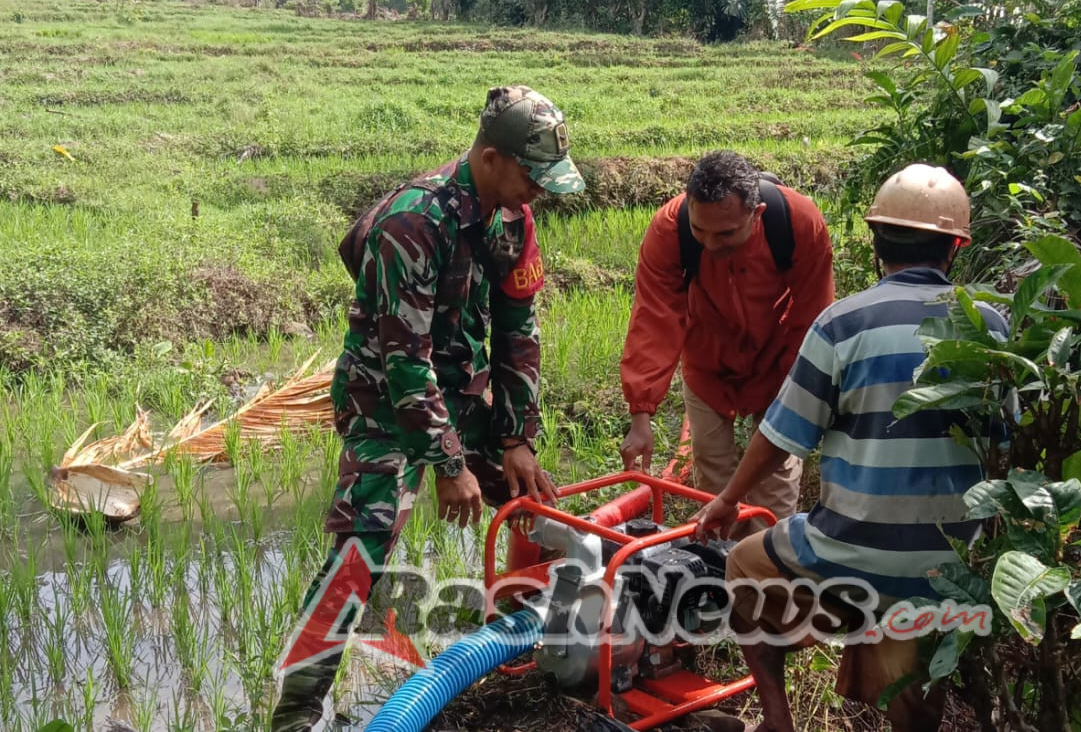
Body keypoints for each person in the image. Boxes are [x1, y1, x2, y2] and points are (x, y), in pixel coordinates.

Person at [271, 85, 583, 731]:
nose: (541, 192)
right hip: (386, 401)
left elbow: (518, 331)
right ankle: (297, 710)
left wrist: (515, 435)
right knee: (365, 541)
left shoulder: (513, 219)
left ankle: (552, 645)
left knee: (537, 505)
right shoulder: (414, 222)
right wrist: (447, 464)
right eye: (533, 175)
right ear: (491, 157)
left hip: (463, 390)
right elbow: (403, 360)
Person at [692, 164, 1009, 732]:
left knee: (744, 562)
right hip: (954, 566)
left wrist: (728, 499)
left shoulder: (841, 324)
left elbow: (781, 434)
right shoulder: (990, 325)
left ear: (876, 241)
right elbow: (1011, 445)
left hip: (849, 554)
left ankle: (777, 719)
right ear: (955, 248)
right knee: (911, 661)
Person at [619, 150, 834, 533]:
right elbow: (655, 318)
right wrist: (641, 413)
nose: (711, 244)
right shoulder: (671, 230)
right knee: (712, 480)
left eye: (726, 234)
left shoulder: (799, 223)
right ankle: (721, 575)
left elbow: (811, 320)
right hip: (707, 363)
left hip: (776, 365)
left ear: (757, 213)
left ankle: (768, 577)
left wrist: (795, 398)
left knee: (774, 487)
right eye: (701, 232)